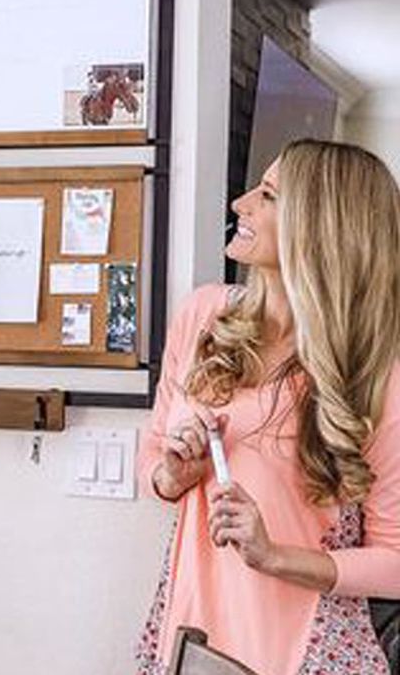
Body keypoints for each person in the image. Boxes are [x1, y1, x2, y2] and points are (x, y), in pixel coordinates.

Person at [135, 139, 400, 675]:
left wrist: (273, 554)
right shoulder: (204, 316)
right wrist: (174, 474)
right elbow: (154, 466)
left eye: (268, 195)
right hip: (190, 632)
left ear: (320, 228)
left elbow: (395, 562)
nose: (241, 204)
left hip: (306, 654)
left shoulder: (378, 371)